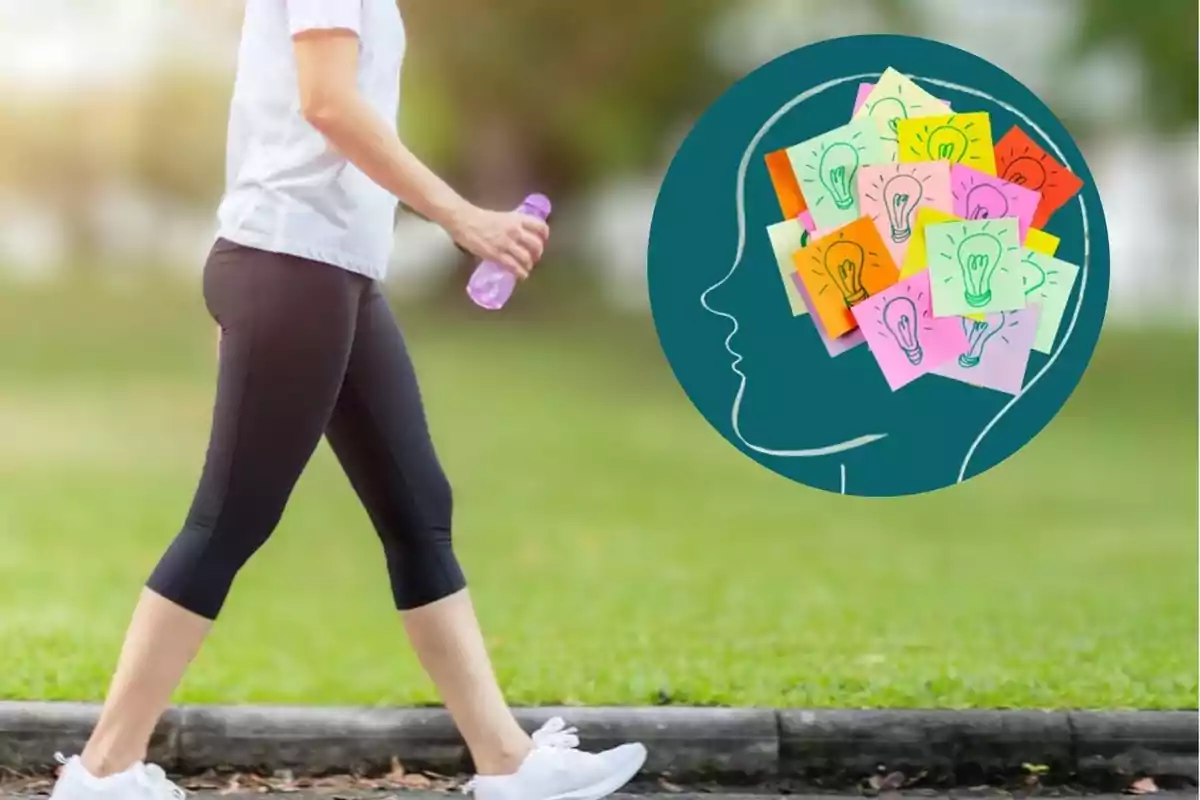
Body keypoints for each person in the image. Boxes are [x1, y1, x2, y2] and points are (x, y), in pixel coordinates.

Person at [46, 3, 647, 800]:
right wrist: (461, 216)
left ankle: (507, 763)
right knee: (229, 521)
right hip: (293, 264)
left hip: (330, 273)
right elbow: (327, 104)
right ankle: (103, 771)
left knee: (417, 507)